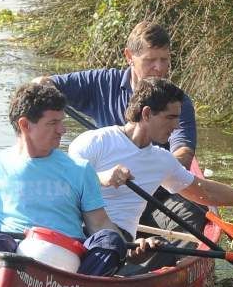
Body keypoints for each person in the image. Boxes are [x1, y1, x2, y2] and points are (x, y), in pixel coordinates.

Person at [67, 77, 233, 272]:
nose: (177, 126)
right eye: (171, 117)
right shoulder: (94, 142)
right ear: (147, 113)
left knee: (158, 250)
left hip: (120, 242)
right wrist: (102, 178)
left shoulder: (162, 160)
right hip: (76, 227)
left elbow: (205, 192)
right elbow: (63, 184)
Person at [0, 82, 139, 277]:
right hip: (12, 254)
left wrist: (131, 248)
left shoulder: (80, 169)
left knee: (110, 240)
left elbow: (99, 223)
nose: (62, 130)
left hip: (70, 255)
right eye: (53, 123)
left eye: (61, 121)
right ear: (25, 125)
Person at [34, 21, 204, 233]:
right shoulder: (100, 83)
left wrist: (153, 171)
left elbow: (184, 153)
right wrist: (51, 103)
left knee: (193, 216)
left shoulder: (177, 101)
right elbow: (40, 84)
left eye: (165, 60)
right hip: (103, 191)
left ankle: (163, 259)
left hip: (155, 192)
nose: (159, 68)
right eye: (150, 60)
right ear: (129, 57)